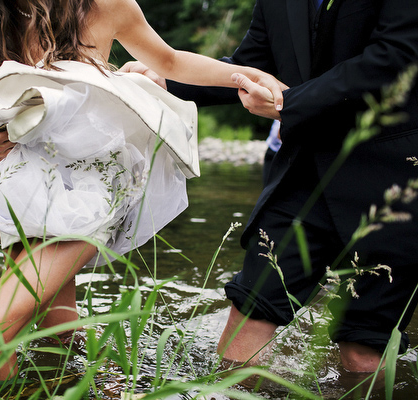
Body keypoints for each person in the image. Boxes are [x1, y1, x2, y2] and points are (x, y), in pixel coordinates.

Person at [0, 0, 286, 382]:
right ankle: (105, 383)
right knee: (59, 331)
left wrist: (248, 73)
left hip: (93, 186)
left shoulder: (106, 4)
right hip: (17, 176)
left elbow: (169, 61)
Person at [126, 0, 418, 375]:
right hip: (302, 176)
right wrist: (168, 81)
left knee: (364, 346)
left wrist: (289, 104)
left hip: (397, 176)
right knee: (249, 312)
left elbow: (395, 56)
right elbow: (251, 65)